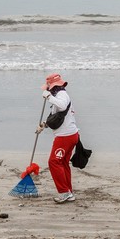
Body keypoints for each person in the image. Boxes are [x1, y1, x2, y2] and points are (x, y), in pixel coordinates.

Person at [37, 72, 79, 203]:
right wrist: (44, 125)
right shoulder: (59, 95)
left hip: (65, 136)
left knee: (54, 162)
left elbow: (62, 105)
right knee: (63, 163)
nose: (47, 89)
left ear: (52, 86)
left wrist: (48, 96)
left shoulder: (61, 95)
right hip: (69, 135)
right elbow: (57, 116)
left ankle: (64, 192)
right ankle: (68, 191)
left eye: (48, 88)